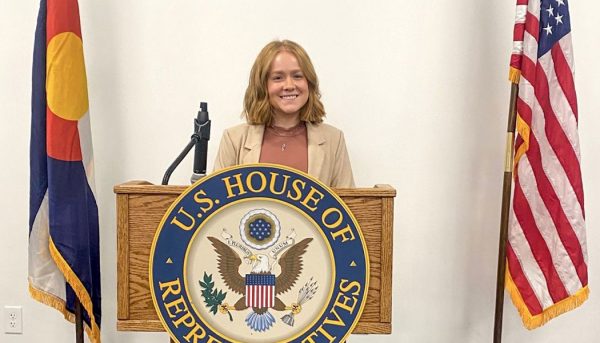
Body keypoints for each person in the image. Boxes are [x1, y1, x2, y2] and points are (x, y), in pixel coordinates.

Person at [213, 39, 355, 188]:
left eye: (297, 76)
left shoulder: (334, 140)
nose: (289, 85)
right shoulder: (233, 140)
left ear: (309, 83)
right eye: (278, 78)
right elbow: (219, 204)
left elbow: (348, 206)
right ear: (262, 85)